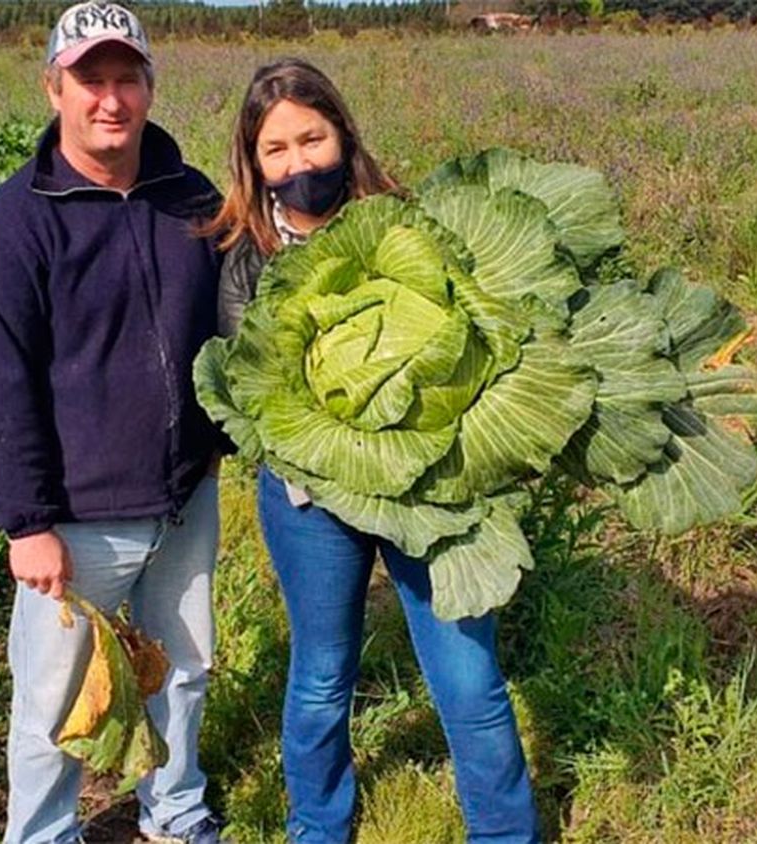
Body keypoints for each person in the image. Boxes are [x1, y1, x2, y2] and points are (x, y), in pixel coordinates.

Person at [206, 58, 542, 844]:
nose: (298, 163)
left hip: (435, 484)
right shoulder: (249, 259)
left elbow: (483, 337)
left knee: (468, 682)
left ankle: (505, 834)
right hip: (310, 498)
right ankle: (317, 829)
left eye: (311, 139)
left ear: (342, 134)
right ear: (254, 163)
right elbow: (255, 401)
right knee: (322, 676)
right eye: (276, 149)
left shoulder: (409, 224)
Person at [0, 4, 229, 842]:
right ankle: (42, 834)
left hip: (183, 498)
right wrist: (26, 522)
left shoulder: (191, 199)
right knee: (56, 698)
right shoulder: (13, 228)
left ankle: (175, 811)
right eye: (90, 80)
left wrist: (218, 442)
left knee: (182, 671)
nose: (110, 99)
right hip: (76, 519)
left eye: (126, 79)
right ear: (54, 88)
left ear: (150, 86)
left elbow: (239, 326)